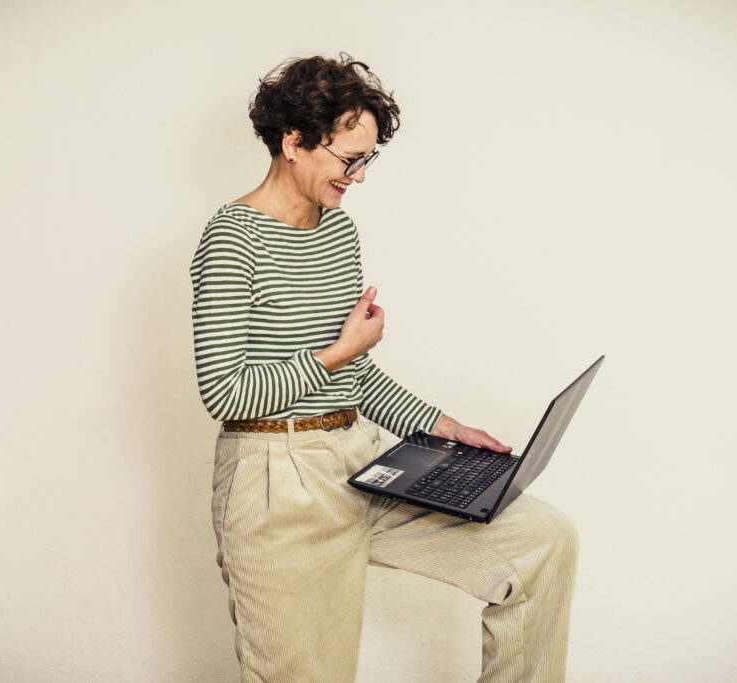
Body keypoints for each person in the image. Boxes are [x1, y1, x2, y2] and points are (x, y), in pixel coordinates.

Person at [190, 54, 578, 683]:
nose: (361, 177)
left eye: (369, 159)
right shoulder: (233, 237)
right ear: (293, 141)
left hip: (362, 455)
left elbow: (356, 377)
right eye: (350, 159)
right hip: (276, 482)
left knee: (542, 542)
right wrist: (339, 351)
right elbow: (225, 391)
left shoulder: (338, 231)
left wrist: (441, 426)